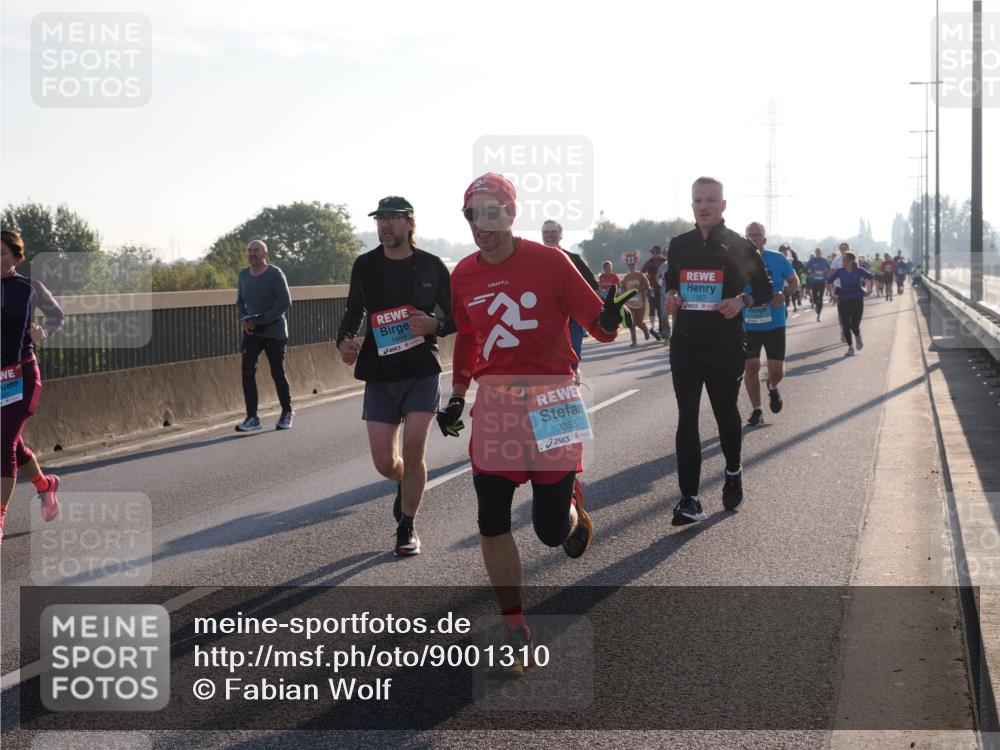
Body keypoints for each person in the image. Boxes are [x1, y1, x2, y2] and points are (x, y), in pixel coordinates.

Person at [441, 172, 632, 673]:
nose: (480, 224)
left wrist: (610, 320)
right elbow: (466, 337)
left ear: (509, 213)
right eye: (471, 214)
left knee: (550, 533)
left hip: (554, 399)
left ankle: (570, 503)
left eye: (489, 212)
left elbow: (600, 327)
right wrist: (459, 394)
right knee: (492, 516)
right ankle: (516, 627)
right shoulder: (462, 275)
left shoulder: (552, 262)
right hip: (498, 404)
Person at [337, 196, 454, 557]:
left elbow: (457, 317)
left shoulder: (432, 266)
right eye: (380, 219)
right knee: (385, 463)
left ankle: (407, 525)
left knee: (414, 448)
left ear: (409, 223)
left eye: (392, 218)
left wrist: (435, 324)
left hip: (421, 370)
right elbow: (354, 310)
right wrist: (343, 340)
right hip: (380, 371)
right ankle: (404, 482)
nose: (385, 225)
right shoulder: (366, 265)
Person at [664, 177, 772, 525]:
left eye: (711, 200)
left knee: (726, 413)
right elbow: (671, 279)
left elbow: (765, 289)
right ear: (692, 205)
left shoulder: (740, 246)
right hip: (685, 343)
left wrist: (742, 301)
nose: (704, 206)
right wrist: (670, 296)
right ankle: (690, 499)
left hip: (725, 343)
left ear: (723, 205)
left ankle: (733, 469)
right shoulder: (679, 244)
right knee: (687, 418)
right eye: (698, 200)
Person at [1, 230, 64, 543]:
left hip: (23, 375)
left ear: (15, 257)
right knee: (12, 443)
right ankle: (45, 485)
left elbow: (57, 316)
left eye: (1, 253)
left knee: (2, 445)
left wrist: (45, 332)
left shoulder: (29, 287)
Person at [742, 223, 798, 426]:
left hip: (774, 323)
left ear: (764, 239)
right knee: (750, 366)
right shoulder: (737, 262)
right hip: (748, 324)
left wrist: (784, 294)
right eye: (749, 236)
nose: (753, 239)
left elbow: (794, 282)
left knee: (776, 370)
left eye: (757, 236)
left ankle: (772, 387)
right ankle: (757, 409)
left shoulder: (777, 259)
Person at [235, 240, 293, 432]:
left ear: (265, 254)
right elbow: (240, 301)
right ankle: (252, 418)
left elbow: (285, 302)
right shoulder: (243, 275)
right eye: (250, 250)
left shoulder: (275, 274)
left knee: (277, 372)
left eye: (256, 250)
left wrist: (261, 321)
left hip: (274, 332)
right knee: (247, 372)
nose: (252, 253)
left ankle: (287, 412)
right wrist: (244, 319)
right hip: (252, 332)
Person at [541, 219, 600, 385]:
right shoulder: (532, 261)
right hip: (543, 320)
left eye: (553, 232)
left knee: (572, 358)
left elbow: (592, 287)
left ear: (560, 235)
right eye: (546, 232)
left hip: (572, 320)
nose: (549, 236)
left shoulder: (573, 259)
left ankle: (573, 387)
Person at [828, 251, 874, 356]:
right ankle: (850, 347)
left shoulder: (859, 270)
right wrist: (832, 294)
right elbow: (829, 282)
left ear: (850, 260)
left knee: (854, 325)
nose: (842, 261)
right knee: (845, 325)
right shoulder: (840, 271)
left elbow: (871, 277)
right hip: (843, 300)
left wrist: (869, 290)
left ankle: (858, 337)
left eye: (844, 259)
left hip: (857, 299)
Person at [620, 257, 653, 347]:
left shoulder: (641, 275)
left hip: (640, 302)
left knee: (639, 322)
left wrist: (639, 288)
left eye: (633, 264)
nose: (631, 266)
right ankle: (634, 341)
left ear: (635, 265)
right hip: (629, 303)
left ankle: (645, 329)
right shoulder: (626, 277)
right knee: (632, 322)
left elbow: (647, 286)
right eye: (630, 265)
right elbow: (623, 289)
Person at [641, 246, 666, 340]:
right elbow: (642, 273)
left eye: (655, 252)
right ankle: (653, 328)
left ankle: (661, 329)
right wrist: (646, 277)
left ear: (659, 253)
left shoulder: (664, 262)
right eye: (652, 252)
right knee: (652, 308)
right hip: (651, 288)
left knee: (661, 310)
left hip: (662, 289)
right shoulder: (648, 263)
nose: (653, 254)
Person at [804, 247, 830, 321]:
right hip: (814, 282)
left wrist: (826, 273)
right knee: (815, 298)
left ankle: (818, 315)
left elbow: (829, 269)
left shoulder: (824, 260)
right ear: (815, 253)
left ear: (821, 253)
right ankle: (816, 305)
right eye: (817, 252)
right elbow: (805, 269)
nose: (818, 254)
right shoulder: (812, 260)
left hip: (822, 282)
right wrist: (811, 273)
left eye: (819, 252)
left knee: (821, 298)